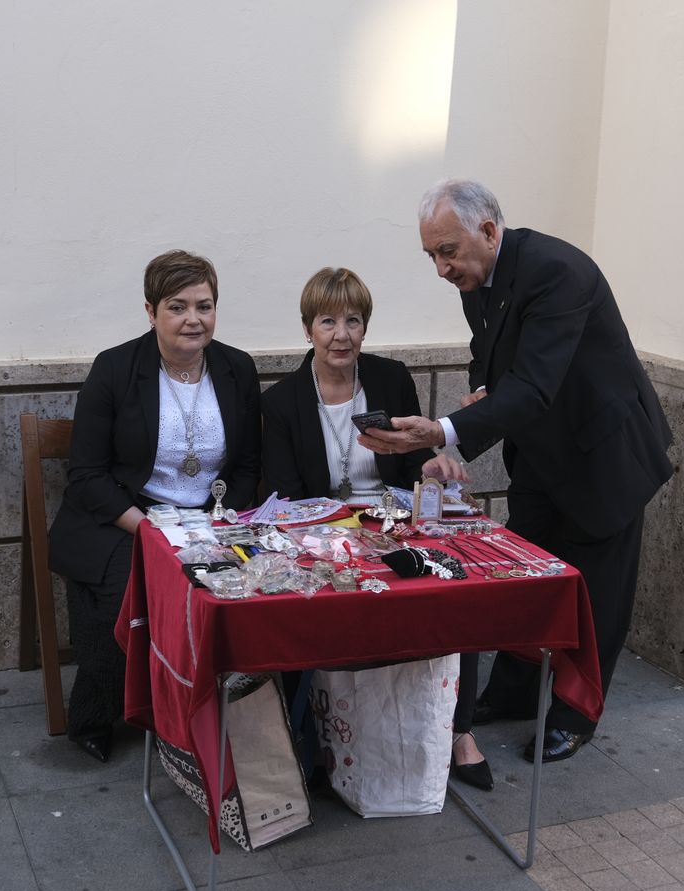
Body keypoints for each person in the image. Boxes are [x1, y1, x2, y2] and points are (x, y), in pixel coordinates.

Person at [359, 179, 673, 764]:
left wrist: (444, 430)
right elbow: (494, 359)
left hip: (603, 457)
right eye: (431, 254)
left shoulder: (559, 271)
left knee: (595, 594)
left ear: (488, 230)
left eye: (446, 251)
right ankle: (513, 689)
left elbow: (533, 385)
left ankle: (577, 714)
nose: (440, 268)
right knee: (524, 575)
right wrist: (480, 393)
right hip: (540, 455)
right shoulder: (477, 276)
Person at [260, 267, 492, 790]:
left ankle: (459, 731)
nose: (341, 334)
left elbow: (413, 462)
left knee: (456, 581)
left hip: (393, 520)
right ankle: (316, 735)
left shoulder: (390, 378)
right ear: (307, 330)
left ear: (365, 328)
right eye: (327, 322)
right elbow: (287, 493)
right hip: (321, 529)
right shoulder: (281, 402)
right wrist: (348, 527)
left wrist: (434, 469)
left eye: (354, 321)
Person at [48, 249, 261, 763]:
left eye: (204, 306)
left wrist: (218, 521)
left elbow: (251, 464)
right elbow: (86, 477)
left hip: (211, 520)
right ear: (151, 312)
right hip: (126, 519)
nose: (194, 319)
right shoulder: (116, 369)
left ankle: (223, 712)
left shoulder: (236, 368)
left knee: (259, 580)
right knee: (127, 592)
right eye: (177, 306)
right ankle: (96, 714)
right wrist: (147, 529)